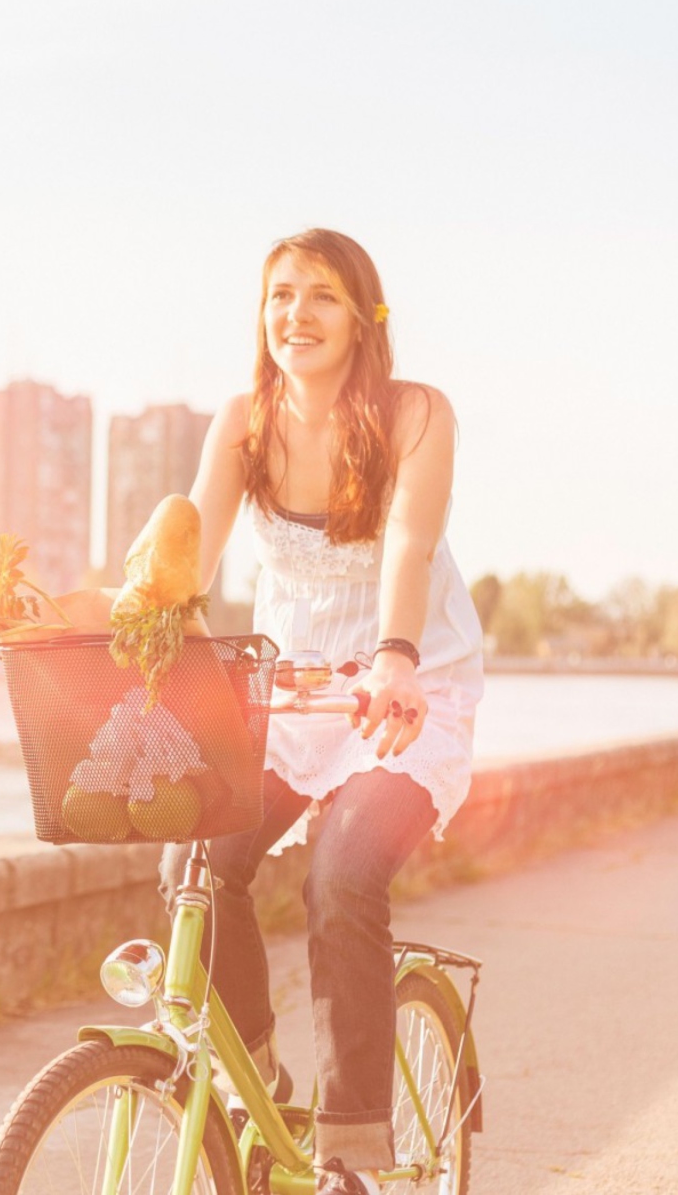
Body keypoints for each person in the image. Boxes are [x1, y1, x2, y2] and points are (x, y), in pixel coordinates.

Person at [162, 228, 484, 1195]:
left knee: (342, 873)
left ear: (362, 317)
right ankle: (258, 1088)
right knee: (192, 862)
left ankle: (351, 1153)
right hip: (291, 700)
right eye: (279, 296)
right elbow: (184, 564)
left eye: (321, 297)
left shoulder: (414, 413)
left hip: (404, 696)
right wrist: (73, 629)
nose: (294, 315)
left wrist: (394, 654)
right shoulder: (241, 423)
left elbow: (409, 547)